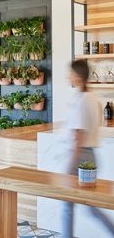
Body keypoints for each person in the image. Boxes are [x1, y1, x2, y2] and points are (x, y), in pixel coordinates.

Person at [62, 60, 114, 238]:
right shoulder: (92, 98)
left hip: (81, 157)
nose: (68, 76)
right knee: (89, 207)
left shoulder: (82, 100)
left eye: (70, 72)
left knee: (68, 204)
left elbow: (79, 136)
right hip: (90, 155)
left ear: (77, 75)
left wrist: (70, 165)